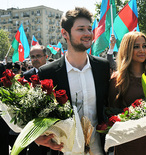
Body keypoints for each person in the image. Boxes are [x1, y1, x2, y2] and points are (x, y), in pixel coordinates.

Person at [35, 7, 110, 154]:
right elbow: (39, 115)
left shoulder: (102, 67)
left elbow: (108, 105)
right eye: (81, 29)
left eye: (89, 29)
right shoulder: (48, 73)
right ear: (65, 33)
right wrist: (37, 137)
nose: (88, 34)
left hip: (99, 149)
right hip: (64, 149)